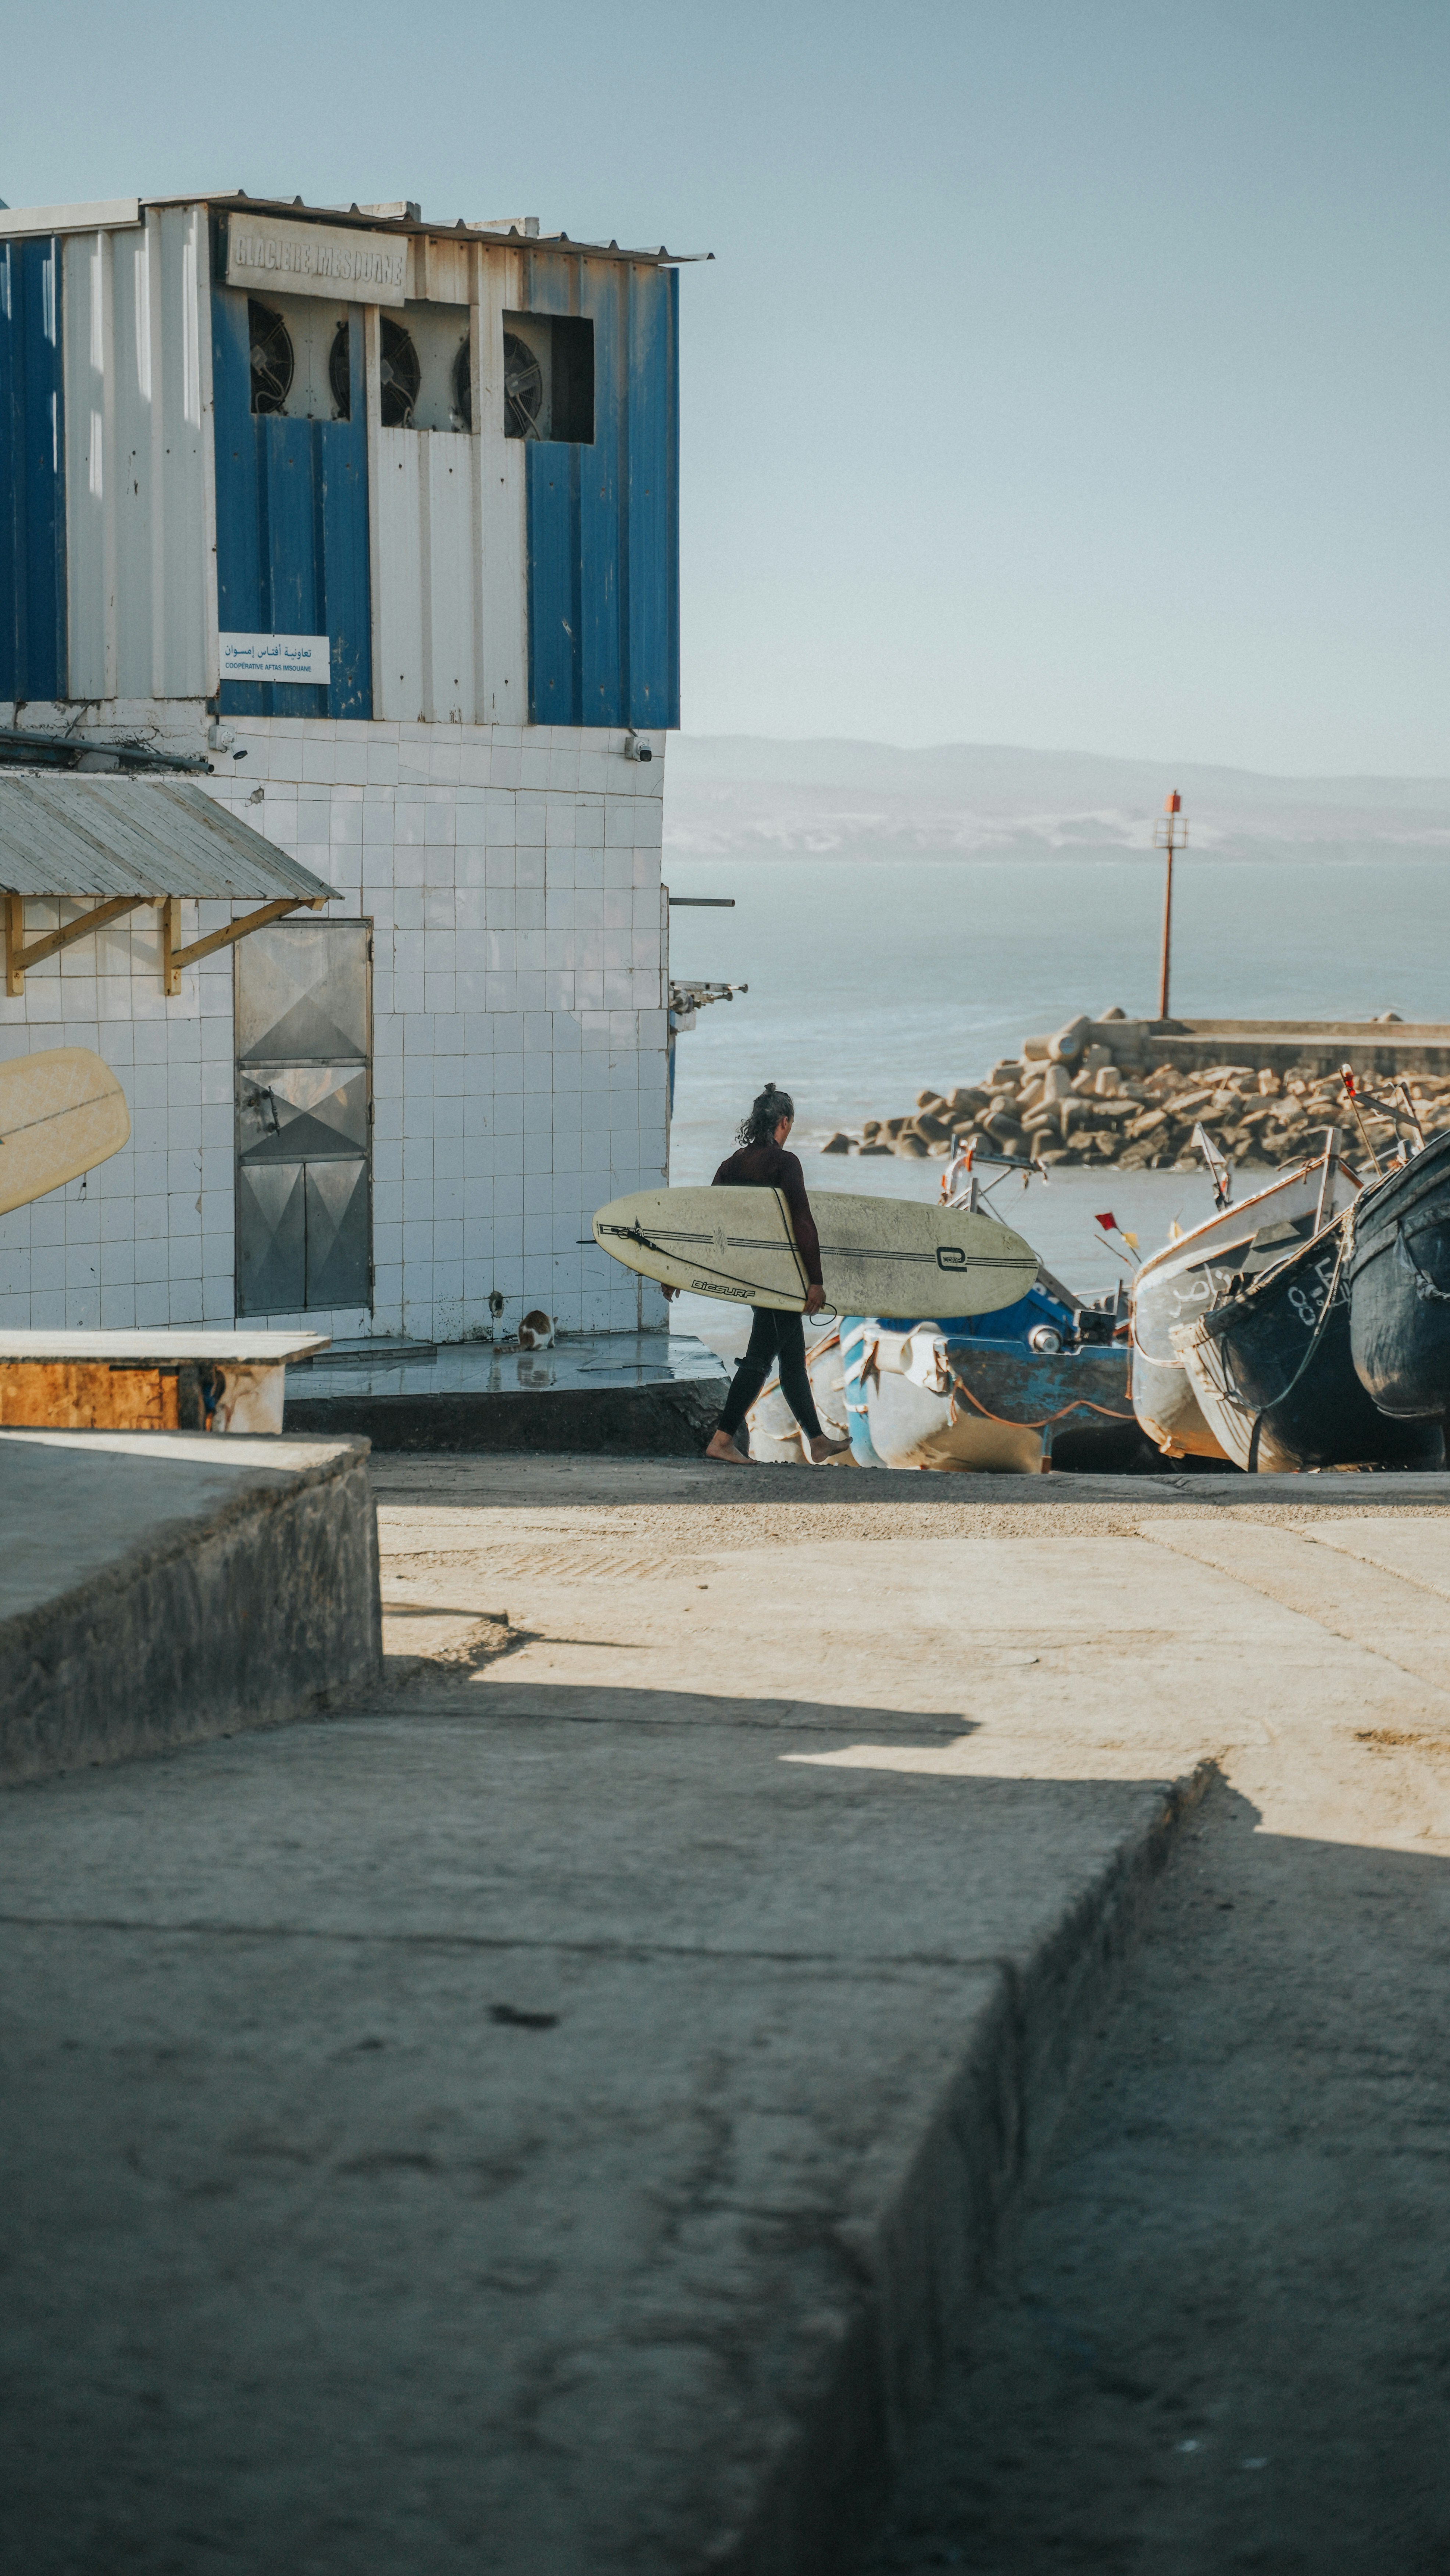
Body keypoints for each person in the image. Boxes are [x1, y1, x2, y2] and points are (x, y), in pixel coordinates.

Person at [704, 1084, 851, 1466]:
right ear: (784, 1122)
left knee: (790, 1359)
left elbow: (706, 1221)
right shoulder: (784, 1164)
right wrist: (815, 1280)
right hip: (779, 1278)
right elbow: (802, 1222)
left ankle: (816, 1440)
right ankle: (721, 1440)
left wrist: (677, 1272)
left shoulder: (731, 1165)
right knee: (758, 1362)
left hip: (751, 1276)